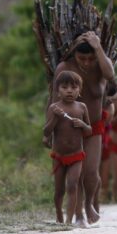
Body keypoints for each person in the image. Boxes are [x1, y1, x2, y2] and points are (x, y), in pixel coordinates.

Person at [51, 31, 115, 225]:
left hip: (94, 127)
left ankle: (88, 205)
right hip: (68, 129)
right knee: (74, 175)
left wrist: (98, 47)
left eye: (90, 58)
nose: (87, 62)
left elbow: (111, 75)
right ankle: (78, 214)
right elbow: (53, 99)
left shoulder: (101, 67)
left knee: (90, 172)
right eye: (82, 58)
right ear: (74, 54)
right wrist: (50, 130)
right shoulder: (64, 67)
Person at [43, 71, 92, 224]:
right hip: (59, 156)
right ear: (57, 91)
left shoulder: (82, 107)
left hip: (77, 155)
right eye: (64, 87)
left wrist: (83, 124)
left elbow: (89, 131)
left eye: (73, 87)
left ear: (79, 90)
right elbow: (46, 131)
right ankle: (59, 214)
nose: (69, 90)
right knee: (59, 190)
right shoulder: (54, 108)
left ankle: (69, 220)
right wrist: (56, 118)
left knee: (72, 185)